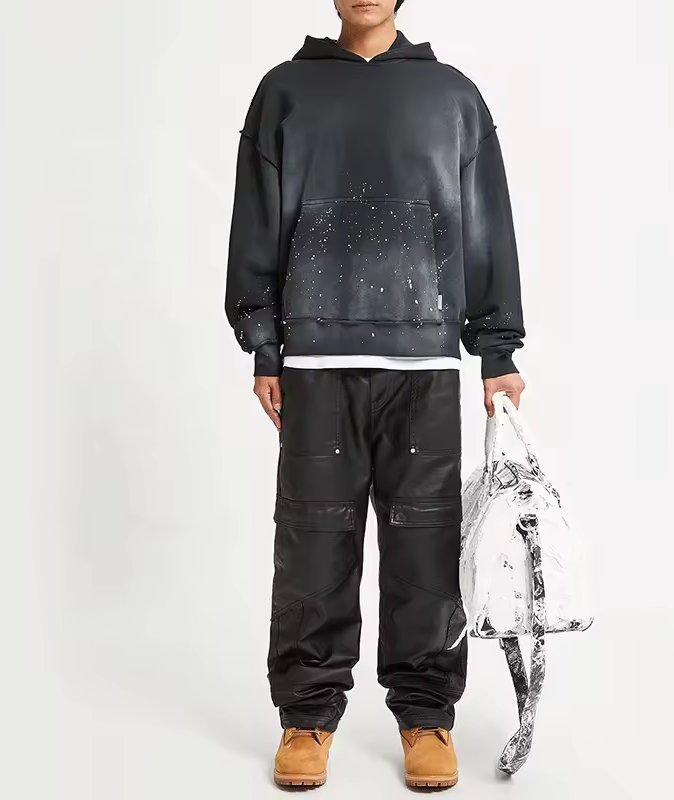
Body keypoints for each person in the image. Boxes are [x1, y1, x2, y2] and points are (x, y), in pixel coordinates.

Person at [225, 0, 525, 789]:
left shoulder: (452, 96)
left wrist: (496, 350)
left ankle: (427, 715)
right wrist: (264, 345)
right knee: (311, 548)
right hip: (315, 363)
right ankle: (306, 717)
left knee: (426, 552)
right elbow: (256, 221)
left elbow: (486, 221)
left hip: (424, 367)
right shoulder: (286, 91)